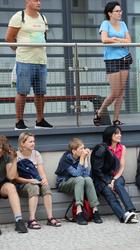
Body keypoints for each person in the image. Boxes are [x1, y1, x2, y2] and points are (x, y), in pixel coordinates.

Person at [5, 0, 53, 130]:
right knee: (22, 92)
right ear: (27, 1)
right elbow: (9, 38)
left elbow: (44, 36)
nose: (39, 2)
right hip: (25, 61)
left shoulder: (43, 17)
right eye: (35, 0)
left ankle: (40, 120)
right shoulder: (18, 16)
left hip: (41, 61)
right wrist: (18, 50)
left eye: (39, 0)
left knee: (40, 92)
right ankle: (19, 122)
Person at [94, 1, 132, 126]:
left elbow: (129, 41)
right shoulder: (105, 23)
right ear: (110, 13)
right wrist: (118, 41)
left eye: (120, 11)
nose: (120, 13)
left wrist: (116, 39)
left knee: (121, 91)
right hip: (111, 60)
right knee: (115, 92)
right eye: (117, 11)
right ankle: (100, 112)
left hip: (124, 58)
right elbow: (104, 39)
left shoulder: (123, 24)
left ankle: (116, 119)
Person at [91, 125, 138, 223]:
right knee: (108, 192)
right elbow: (97, 170)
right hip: (102, 178)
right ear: (110, 135)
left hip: (117, 175)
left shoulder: (122, 148)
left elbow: (121, 167)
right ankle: (123, 216)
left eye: (120, 133)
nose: (119, 135)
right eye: (116, 133)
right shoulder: (102, 148)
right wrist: (107, 182)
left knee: (118, 184)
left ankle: (131, 211)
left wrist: (113, 180)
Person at [15, 132, 61, 229]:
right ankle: (32, 220)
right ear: (22, 143)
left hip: (36, 181)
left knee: (46, 186)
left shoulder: (36, 154)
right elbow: (15, 178)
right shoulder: (16, 156)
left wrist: (44, 179)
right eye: (30, 141)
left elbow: (42, 173)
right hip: (22, 185)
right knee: (34, 187)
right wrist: (29, 181)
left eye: (34, 141)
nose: (33, 143)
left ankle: (50, 217)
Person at [55, 138, 103, 225]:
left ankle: (95, 210)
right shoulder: (66, 159)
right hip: (64, 183)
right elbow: (76, 174)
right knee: (79, 179)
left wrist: (86, 160)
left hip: (78, 182)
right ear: (74, 151)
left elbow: (87, 175)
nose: (84, 150)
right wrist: (82, 159)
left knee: (88, 179)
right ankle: (79, 211)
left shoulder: (81, 157)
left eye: (84, 148)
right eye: (81, 149)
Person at [0, 136, 27, 234]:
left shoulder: (6, 156)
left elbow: (11, 176)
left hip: (2, 185)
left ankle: (19, 221)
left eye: (1, 148)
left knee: (11, 187)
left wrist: (14, 159)